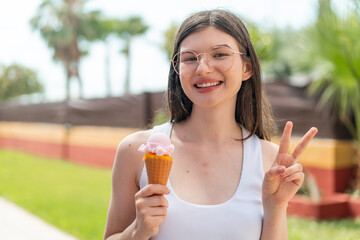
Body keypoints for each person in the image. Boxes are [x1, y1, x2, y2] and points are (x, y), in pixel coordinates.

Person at [103, 9, 318, 240]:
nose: (203, 68)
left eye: (219, 55)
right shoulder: (135, 151)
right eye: (189, 58)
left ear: (247, 68)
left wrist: (276, 208)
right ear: (177, 70)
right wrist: (136, 231)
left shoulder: (270, 160)